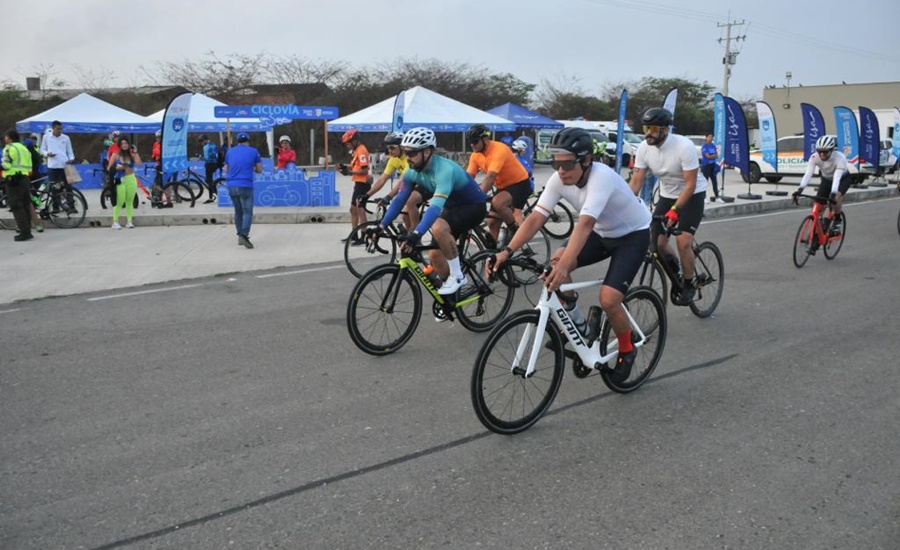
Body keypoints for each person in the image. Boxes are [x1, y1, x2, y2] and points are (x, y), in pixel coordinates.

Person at [491, 127, 651, 384]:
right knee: (555, 264)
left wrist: (565, 266)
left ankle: (627, 346)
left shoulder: (602, 178)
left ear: (586, 160)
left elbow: (584, 224)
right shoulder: (559, 179)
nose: (560, 170)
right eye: (556, 163)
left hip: (632, 235)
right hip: (601, 232)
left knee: (609, 299)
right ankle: (582, 326)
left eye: (567, 163)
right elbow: (535, 218)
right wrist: (507, 251)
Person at [377, 127, 487, 295]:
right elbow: (400, 200)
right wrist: (380, 226)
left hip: (473, 206)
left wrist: (415, 234)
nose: (408, 158)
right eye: (406, 153)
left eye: (412, 153)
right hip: (452, 207)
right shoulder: (411, 171)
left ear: (427, 152)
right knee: (435, 256)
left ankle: (458, 276)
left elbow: (435, 208)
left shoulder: (444, 170)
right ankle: (451, 297)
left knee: (438, 226)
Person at [629, 107, 705, 306]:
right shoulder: (644, 148)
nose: (648, 133)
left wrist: (675, 210)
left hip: (692, 195)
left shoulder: (683, 146)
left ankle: (689, 284)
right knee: (657, 243)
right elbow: (636, 181)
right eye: (646, 128)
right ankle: (678, 270)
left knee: (683, 241)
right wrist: (624, 206)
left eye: (653, 129)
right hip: (667, 194)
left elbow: (690, 184)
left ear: (665, 130)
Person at [465, 124, 531, 245]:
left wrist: (477, 198)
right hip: (503, 186)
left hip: (520, 183)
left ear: (485, 139)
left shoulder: (499, 149)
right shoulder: (475, 155)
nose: (472, 145)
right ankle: (493, 253)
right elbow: (468, 177)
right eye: (470, 142)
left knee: (498, 202)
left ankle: (515, 231)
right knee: (492, 222)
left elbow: (490, 177)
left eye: (475, 141)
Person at [367, 132, 427, 230]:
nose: (389, 151)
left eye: (392, 147)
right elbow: (382, 179)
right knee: (404, 217)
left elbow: (401, 181)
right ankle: (411, 237)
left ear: (402, 147)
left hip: (420, 186)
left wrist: (388, 197)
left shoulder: (409, 158)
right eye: (388, 148)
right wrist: (367, 195)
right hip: (408, 187)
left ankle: (416, 234)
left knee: (408, 205)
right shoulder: (393, 159)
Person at [791, 135, 849, 236]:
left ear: (832, 150)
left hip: (842, 179)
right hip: (826, 179)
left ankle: (837, 220)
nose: (822, 154)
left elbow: (837, 178)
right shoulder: (814, 157)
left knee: (836, 198)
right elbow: (808, 174)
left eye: (825, 152)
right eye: (819, 151)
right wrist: (799, 190)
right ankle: (818, 230)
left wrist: (833, 193)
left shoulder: (839, 158)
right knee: (818, 205)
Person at [224, 132, 262, 249]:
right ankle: (244, 235)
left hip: (231, 185)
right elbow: (259, 169)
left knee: (238, 211)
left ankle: (239, 235)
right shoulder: (253, 151)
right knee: (247, 211)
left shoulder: (230, 152)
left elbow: (226, 169)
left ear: (237, 141)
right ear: (248, 141)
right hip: (245, 184)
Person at [339, 128, 371, 245]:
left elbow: (365, 170)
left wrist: (350, 172)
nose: (347, 146)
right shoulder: (357, 150)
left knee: (360, 210)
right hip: (358, 183)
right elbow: (357, 167)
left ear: (355, 141)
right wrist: (346, 167)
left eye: (348, 143)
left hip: (362, 184)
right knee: (353, 210)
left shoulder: (361, 150)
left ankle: (364, 236)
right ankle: (354, 234)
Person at [2, 130, 35, 241]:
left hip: (13, 180)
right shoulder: (24, 148)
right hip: (25, 178)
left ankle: (24, 232)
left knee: (16, 205)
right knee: (25, 204)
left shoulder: (9, 148)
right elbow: (30, 164)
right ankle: (28, 230)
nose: (5, 139)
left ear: (10, 138)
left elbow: (6, 165)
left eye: (6, 137)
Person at [39, 120, 76, 214]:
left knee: (68, 186)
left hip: (65, 164)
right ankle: (56, 206)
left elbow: (70, 151)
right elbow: (42, 149)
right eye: (58, 129)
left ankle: (71, 205)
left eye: (61, 129)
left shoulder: (65, 138)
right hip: (53, 166)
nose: (59, 130)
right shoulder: (46, 137)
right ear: (53, 128)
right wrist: (47, 154)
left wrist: (71, 158)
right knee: (54, 187)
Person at [107, 137, 142, 229]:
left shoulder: (132, 155)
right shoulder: (116, 155)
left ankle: (129, 221)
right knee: (120, 200)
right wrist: (116, 167)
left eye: (126, 143)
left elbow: (139, 164)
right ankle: (115, 221)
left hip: (131, 178)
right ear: (119, 145)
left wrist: (135, 152)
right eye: (122, 143)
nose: (124, 145)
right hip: (120, 179)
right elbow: (109, 168)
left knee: (129, 201)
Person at [150, 129, 173, 208]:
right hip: (158, 165)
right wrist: (155, 157)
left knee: (166, 184)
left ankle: (169, 201)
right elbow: (153, 154)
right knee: (158, 183)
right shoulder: (155, 144)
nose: (158, 139)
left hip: (166, 166)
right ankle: (160, 200)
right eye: (157, 137)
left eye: (159, 137)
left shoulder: (166, 145)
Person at [700, 133, 721, 202]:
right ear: (706, 138)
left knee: (714, 181)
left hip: (713, 165)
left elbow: (717, 156)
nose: (711, 138)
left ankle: (717, 196)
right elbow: (707, 156)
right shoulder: (704, 146)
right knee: (705, 182)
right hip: (705, 166)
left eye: (712, 137)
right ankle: (704, 197)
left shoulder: (713, 146)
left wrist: (712, 155)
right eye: (709, 137)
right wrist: (713, 155)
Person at [200, 135, 219, 203]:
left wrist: (203, 158)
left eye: (202, 141)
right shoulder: (209, 145)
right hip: (210, 163)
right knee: (208, 180)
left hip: (211, 164)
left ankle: (212, 196)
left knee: (209, 180)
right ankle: (214, 192)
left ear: (205, 140)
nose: (201, 142)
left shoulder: (210, 146)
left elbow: (212, 155)